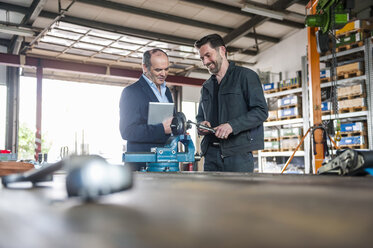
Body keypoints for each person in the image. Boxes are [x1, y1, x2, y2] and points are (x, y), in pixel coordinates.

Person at [194, 34, 268, 172]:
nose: (205, 62)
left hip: (237, 156)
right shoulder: (206, 86)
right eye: (202, 58)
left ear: (222, 50)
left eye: (208, 55)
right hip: (210, 156)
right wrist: (201, 126)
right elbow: (200, 117)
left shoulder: (246, 77)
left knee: (238, 194)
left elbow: (261, 111)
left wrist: (232, 126)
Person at [119, 48, 173, 171]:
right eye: (158, 69)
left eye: (166, 69)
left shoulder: (167, 92)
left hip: (165, 163)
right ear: (145, 67)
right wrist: (161, 129)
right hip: (141, 165)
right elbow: (127, 131)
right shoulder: (131, 92)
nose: (163, 74)